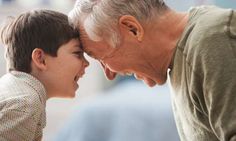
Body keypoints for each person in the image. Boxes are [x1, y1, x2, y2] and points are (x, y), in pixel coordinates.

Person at [69, 0, 236, 141]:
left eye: (102, 59)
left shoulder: (212, 40)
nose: (109, 74)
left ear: (132, 28)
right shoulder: (179, 60)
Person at [0, 9, 89, 141]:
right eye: (77, 53)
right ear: (40, 59)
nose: (86, 63)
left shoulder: (12, 85)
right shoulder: (25, 104)